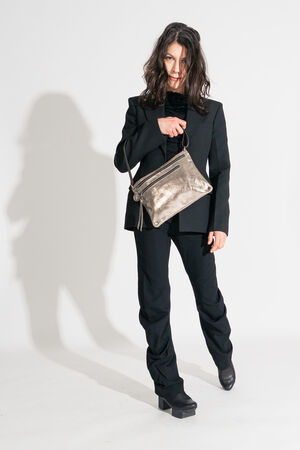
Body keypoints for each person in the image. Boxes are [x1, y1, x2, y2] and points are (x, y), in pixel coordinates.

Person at [114, 22, 235, 419]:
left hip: (195, 216)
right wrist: (155, 127)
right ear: (159, 58)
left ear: (194, 62)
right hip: (150, 214)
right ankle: (168, 386)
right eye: (169, 57)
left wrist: (220, 223)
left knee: (208, 295)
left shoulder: (210, 112)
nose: (175, 67)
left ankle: (223, 353)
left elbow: (221, 170)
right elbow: (122, 160)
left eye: (183, 59)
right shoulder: (140, 107)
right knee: (155, 302)